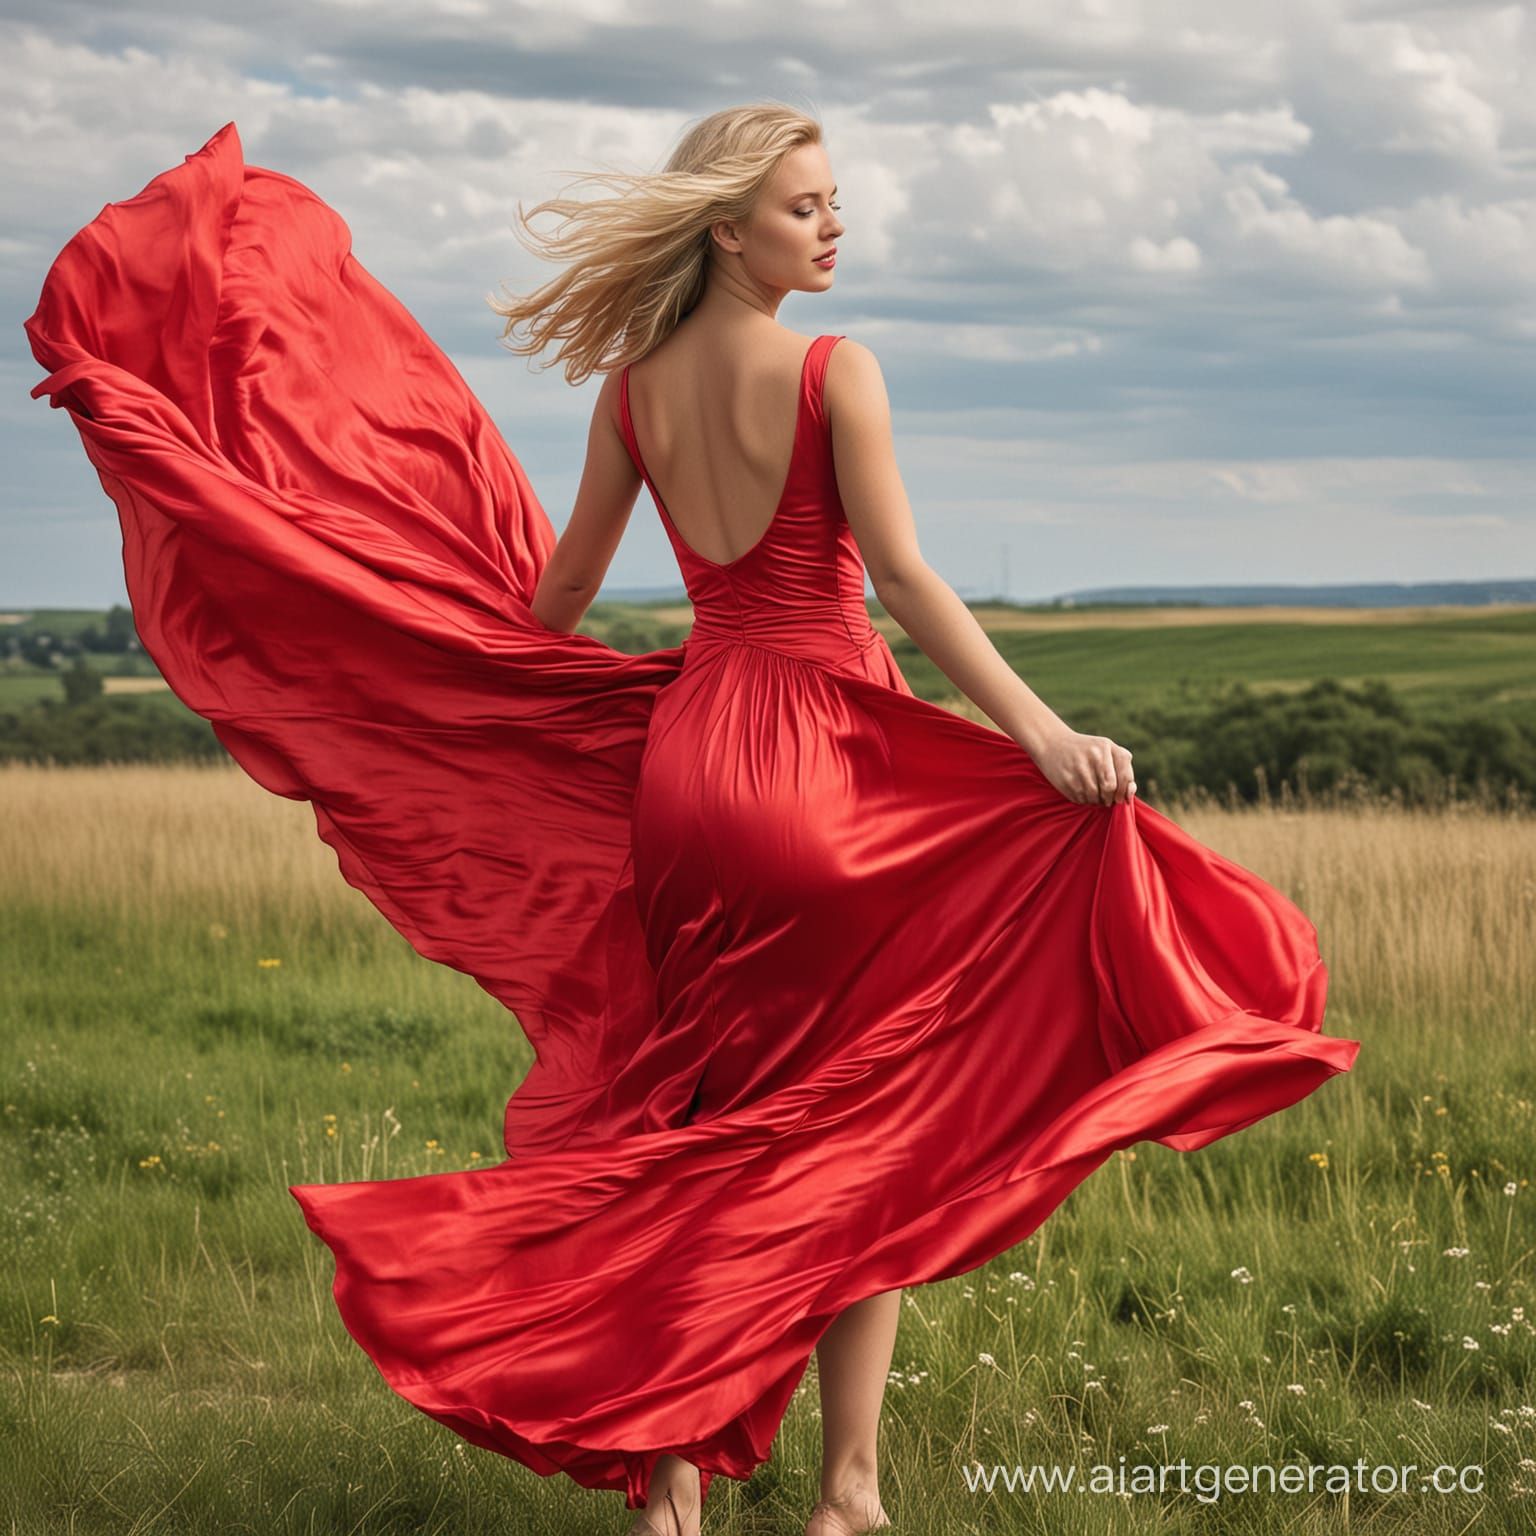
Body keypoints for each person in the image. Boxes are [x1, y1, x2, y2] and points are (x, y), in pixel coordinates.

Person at [25, 105, 1359, 1536]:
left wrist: (451, 668)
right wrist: (1039, 736)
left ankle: (670, 1491)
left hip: (694, 766)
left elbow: (552, 603)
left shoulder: (631, 390)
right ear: (728, 229)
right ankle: (847, 1491)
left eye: (834, 202)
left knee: (698, 1113)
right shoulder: (835, 373)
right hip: (830, 767)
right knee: (855, 1124)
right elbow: (901, 584)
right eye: (805, 206)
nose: (832, 226)